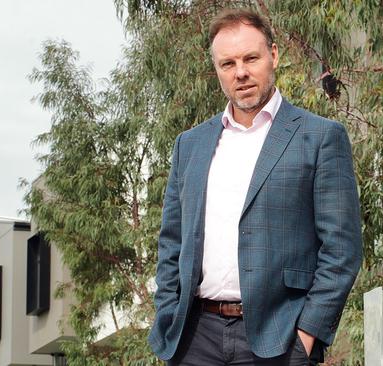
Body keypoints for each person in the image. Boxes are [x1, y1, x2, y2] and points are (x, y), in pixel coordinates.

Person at [148, 8, 362, 366]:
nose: (241, 72)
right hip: (194, 339)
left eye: (251, 58)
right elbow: (172, 241)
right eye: (227, 64)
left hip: (278, 340)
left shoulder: (320, 137)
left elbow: (342, 251)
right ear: (217, 70)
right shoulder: (190, 145)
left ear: (273, 55)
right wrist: (168, 312)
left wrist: (307, 336)